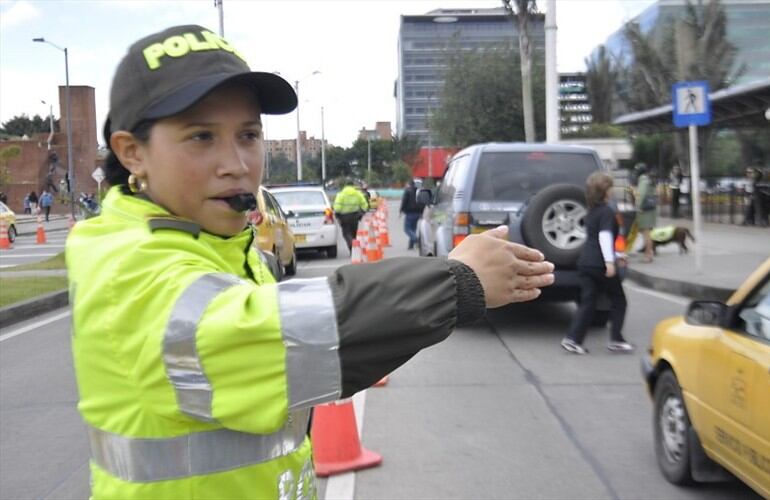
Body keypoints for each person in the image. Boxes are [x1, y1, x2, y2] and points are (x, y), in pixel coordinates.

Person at [65, 24, 555, 500]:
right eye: (201, 137)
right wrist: (457, 282)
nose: (236, 162)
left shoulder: (223, 244)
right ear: (132, 153)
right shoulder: (124, 262)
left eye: (249, 135)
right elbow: (286, 339)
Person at [561, 172, 633, 354]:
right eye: (610, 187)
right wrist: (610, 262)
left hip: (585, 261)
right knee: (619, 300)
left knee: (588, 302)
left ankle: (573, 338)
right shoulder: (607, 211)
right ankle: (616, 339)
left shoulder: (592, 211)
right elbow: (604, 237)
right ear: (605, 191)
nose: (612, 190)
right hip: (599, 264)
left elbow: (595, 238)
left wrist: (618, 254)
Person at [333, 178, 369, 252]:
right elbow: (365, 205)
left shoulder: (341, 194)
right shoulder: (358, 194)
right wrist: (361, 213)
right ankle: (353, 250)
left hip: (344, 217)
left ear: (345, 185)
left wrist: (337, 214)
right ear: (353, 185)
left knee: (346, 233)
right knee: (353, 233)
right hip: (355, 216)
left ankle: (351, 246)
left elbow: (337, 208)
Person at [633, 163, 656, 263]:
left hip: (644, 210)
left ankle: (648, 255)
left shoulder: (643, 180)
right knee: (648, 233)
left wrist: (637, 206)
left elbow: (640, 195)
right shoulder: (649, 179)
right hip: (650, 210)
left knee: (646, 234)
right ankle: (649, 253)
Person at [400, 178, 425, 250]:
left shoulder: (408, 190)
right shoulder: (422, 191)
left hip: (410, 212)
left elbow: (404, 201)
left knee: (407, 229)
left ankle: (417, 240)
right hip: (419, 213)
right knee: (413, 229)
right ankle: (410, 246)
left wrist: (401, 210)